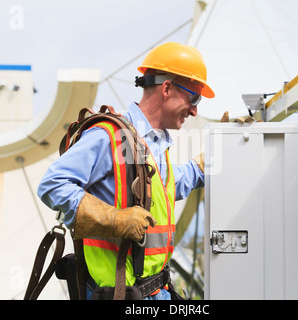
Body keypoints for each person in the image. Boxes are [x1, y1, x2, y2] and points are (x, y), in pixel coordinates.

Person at [37, 42, 215, 300]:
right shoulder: (110, 136)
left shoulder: (154, 143)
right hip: (117, 295)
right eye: (193, 97)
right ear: (167, 88)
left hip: (155, 292)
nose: (195, 110)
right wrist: (115, 219)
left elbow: (165, 186)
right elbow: (53, 185)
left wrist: (231, 148)